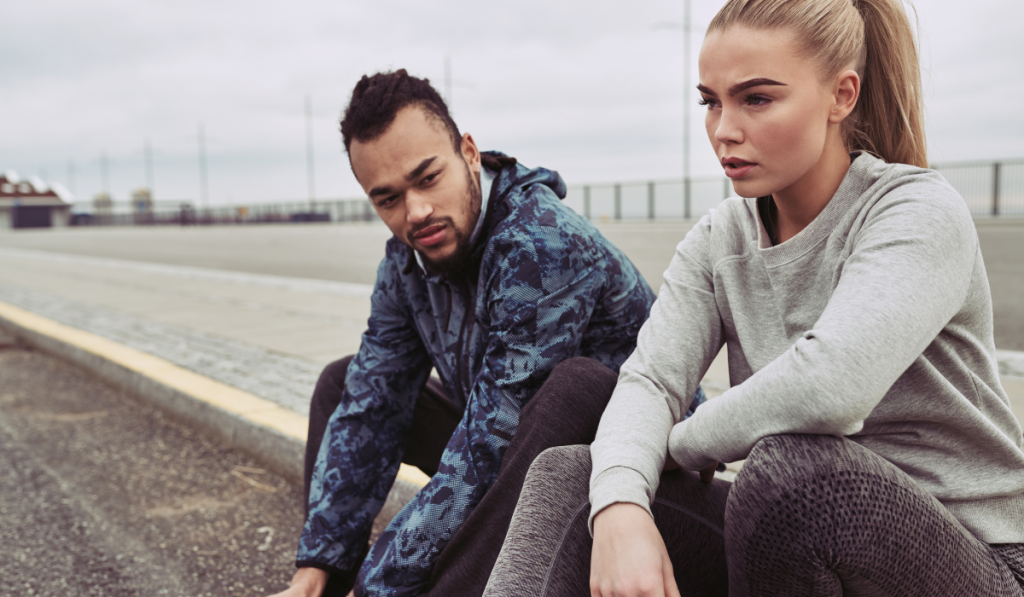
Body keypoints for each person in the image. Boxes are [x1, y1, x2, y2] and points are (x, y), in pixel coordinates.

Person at [483, 0, 1024, 595]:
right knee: (578, 477)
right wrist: (619, 506)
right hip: (797, 543)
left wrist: (680, 442)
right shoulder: (721, 238)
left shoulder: (917, 211)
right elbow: (651, 382)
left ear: (842, 96)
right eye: (711, 101)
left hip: (978, 558)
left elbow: (830, 387)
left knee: (793, 473)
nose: (724, 129)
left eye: (756, 99)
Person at [269, 70, 705, 597]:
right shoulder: (406, 261)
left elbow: (491, 442)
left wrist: (380, 583)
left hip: (642, 478)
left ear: (469, 153)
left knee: (567, 389)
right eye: (388, 199)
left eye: (428, 177)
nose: (416, 212)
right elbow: (373, 401)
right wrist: (314, 567)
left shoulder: (542, 245)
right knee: (346, 385)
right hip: (516, 445)